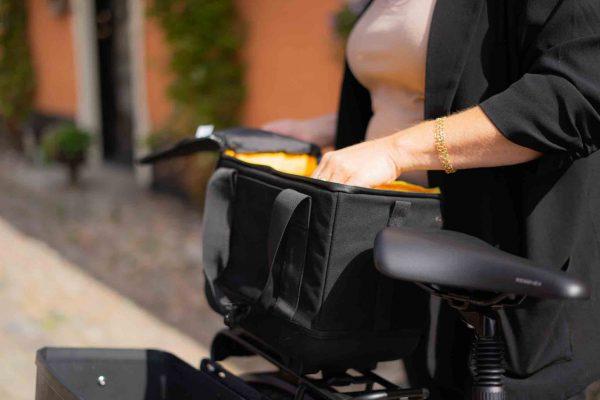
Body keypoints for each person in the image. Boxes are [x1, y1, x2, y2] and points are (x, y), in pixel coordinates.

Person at [262, 1, 600, 399]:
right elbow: (413, 94)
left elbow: (575, 94)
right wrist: (313, 129)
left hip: (505, 256)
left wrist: (394, 152)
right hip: (409, 239)